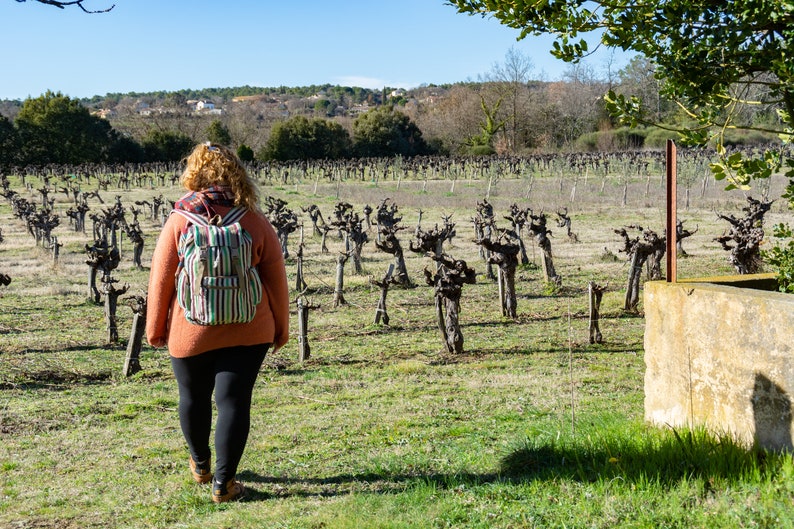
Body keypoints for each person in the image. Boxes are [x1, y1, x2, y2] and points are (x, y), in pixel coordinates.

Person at [146, 142, 289, 503]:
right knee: (234, 403)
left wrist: (155, 330)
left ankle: (201, 465)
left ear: (193, 174)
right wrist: (281, 327)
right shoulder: (254, 220)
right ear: (238, 174)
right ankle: (224, 485)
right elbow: (275, 278)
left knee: (192, 397)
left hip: (190, 331)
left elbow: (161, 279)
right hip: (249, 329)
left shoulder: (180, 220)